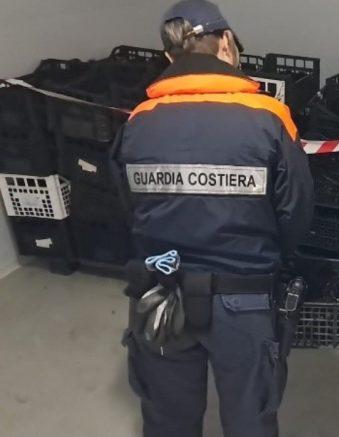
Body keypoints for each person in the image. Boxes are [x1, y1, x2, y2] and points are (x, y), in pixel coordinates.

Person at [111, 1, 313, 436]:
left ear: (169, 57)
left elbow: (127, 207)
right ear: (226, 44)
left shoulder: (137, 122)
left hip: (160, 293)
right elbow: (296, 213)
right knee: (250, 419)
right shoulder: (268, 118)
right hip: (244, 297)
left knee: (168, 421)